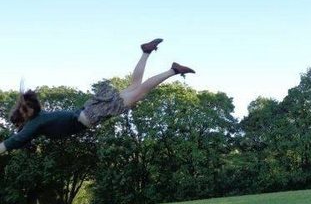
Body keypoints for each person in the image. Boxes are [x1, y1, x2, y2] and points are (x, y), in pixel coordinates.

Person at [0, 39, 194, 154]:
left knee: (139, 92)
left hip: (92, 113)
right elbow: (21, 138)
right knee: (135, 87)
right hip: (91, 110)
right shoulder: (36, 123)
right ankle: (146, 52)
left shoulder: (35, 122)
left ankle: (173, 70)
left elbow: (14, 141)